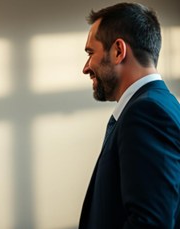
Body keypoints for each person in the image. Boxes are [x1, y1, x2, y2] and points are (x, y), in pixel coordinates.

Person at [80, 2, 180, 228]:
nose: (85, 67)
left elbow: (150, 223)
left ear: (118, 51)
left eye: (90, 52)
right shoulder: (163, 104)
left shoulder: (146, 114)